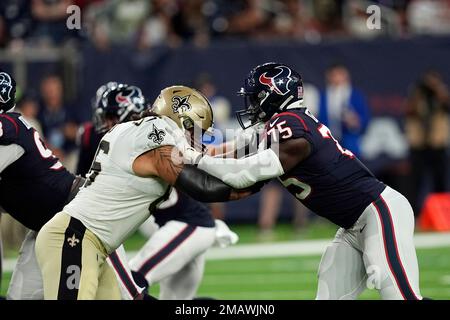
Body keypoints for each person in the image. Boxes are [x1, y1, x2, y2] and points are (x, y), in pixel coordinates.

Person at [194, 62, 424, 300]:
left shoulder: (291, 125)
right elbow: (234, 149)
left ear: (274, 95)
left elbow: (242, 175)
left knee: (401, 297)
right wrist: (190, 153)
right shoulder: (284, 123)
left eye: (256, 98)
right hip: (352, 225)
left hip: (377, 212)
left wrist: (193, 159)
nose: (252, 105)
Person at [34, 85, 250, 300]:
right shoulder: (147, 137)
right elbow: (202, 184)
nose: (106, 123)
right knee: (132, 290)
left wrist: (251, 150)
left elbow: (207, 158)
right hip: (80, 236)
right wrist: (254, 177)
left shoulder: (137, 134)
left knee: (131, 292)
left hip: (167, 227)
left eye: (111, 116)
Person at [405, 69, 449, 214]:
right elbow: (409, 111)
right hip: (419, 144)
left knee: (440, 180)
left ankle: (443, 212)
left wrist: (438, 90)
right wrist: (418, 93)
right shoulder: (417, 95)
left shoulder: (441, 96)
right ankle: (414, 213)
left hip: (437, 144)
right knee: (416, 181)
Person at [318, 63, 370, 157]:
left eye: (341, 74)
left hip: (350, 140)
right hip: (327, 140)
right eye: (335, 75)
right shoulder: (322, 95)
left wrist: (356, 121)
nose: (338, 78)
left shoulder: (355, 95)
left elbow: (364, 118)